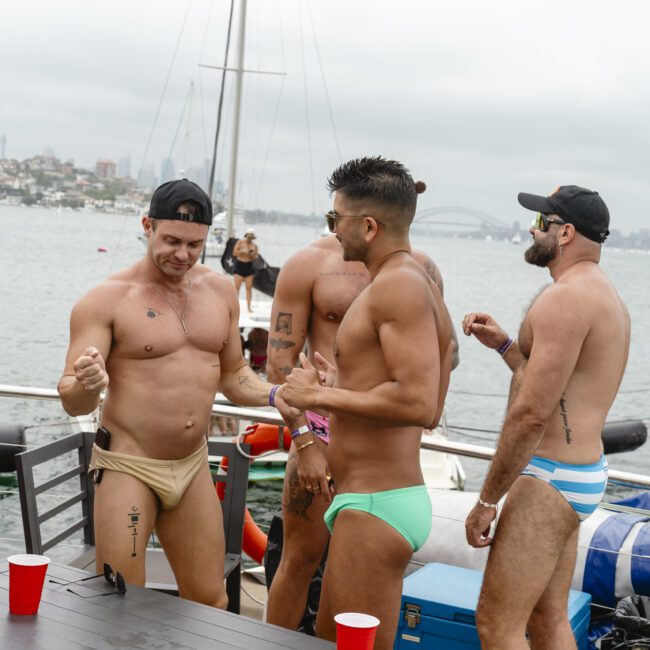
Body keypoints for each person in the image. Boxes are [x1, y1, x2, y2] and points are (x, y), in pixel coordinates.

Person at [57, 179, 286, 609]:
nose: (182, 254)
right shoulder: (105, 301)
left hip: (191, 465)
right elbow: (71, 397)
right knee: (120, 602)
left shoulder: (219, 291)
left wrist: (277, 395)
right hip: (128, 466)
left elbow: (234, 375)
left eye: (194, 244)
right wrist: (88, 384)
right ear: (147, 226)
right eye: (172, 241)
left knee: (209, 601)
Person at [279, 156, 455, 649]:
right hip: (371, 498)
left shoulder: (397, 286)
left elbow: (418, 404)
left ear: (370, 226)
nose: (333, 230)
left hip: (378, 503)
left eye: (336, 219)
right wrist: (342, 385)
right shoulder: (418, 284)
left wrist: (319, 395)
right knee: (327, 638)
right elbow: (432, 404)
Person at [462, 185, 630, 649]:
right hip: (581, 472)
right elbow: (561, 388)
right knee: (547, 616)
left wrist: (487, 500)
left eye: (541, 223)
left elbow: (533, 414)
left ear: (566, 233)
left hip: (549, 478)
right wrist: (503, 345)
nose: (531, 230)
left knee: (497, 626)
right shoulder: (606, 297)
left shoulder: (563, 300)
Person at [233, 227, 259, 312]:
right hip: (240, 265)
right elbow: (234, 253)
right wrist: (242, 251)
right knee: (237, 288)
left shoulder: (254, 246)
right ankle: (234, 306)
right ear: (246, 235)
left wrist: (252, 254)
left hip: (249, 266)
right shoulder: (240, 242)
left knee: (249, 288)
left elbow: (255, 257)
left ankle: (249, 307)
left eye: (251, 236)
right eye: (248, 236)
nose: (249, 238)